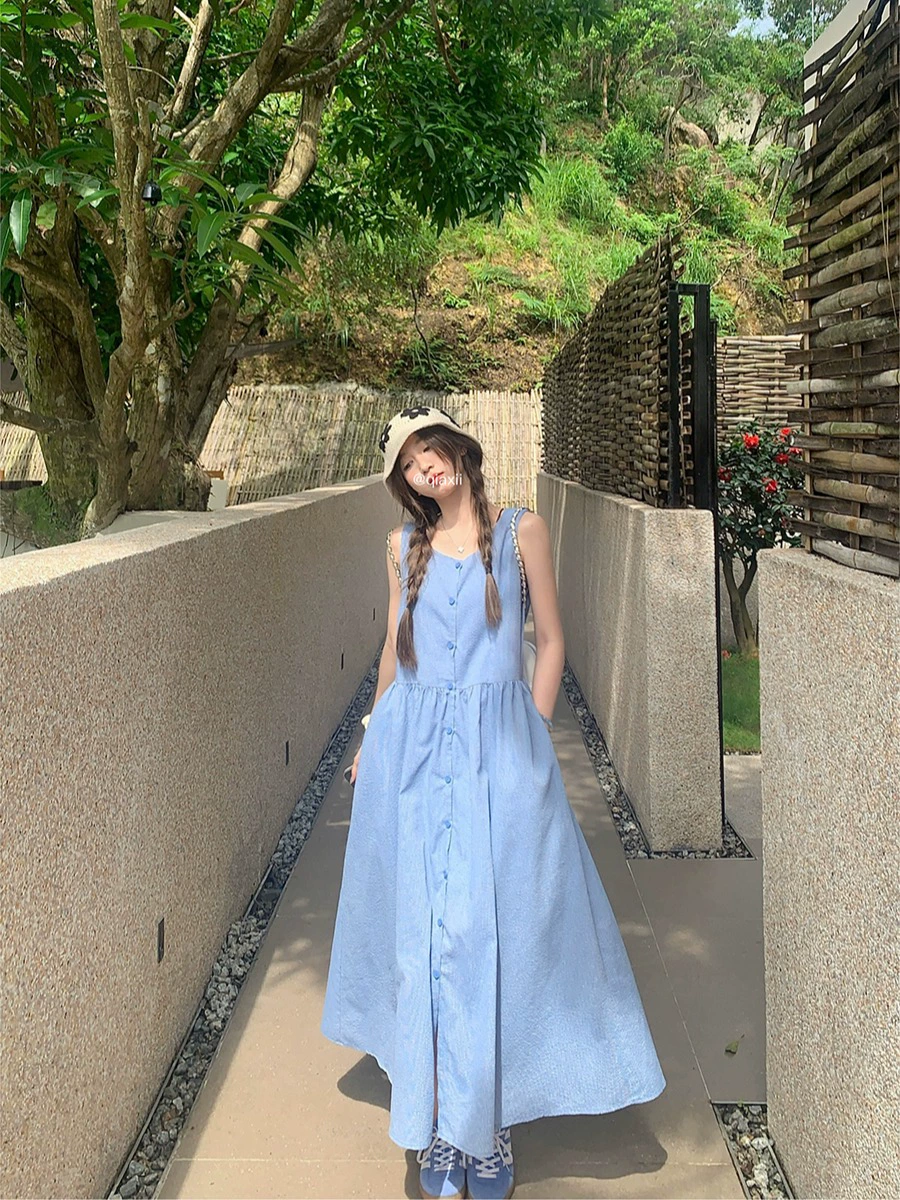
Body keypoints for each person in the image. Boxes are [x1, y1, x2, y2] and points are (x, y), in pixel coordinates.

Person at [321, 406, 666, 1200]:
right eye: (409, 464)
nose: (424, 467)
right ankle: (445, 1128)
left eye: (430, 450)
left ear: (460, 449)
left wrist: (533, 732)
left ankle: (489, 1127)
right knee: (429, 935)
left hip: (499, 753)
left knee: (492, 931)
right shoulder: (400, 546)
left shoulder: (519, 532)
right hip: (412, 755)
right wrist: (372, 734)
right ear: (405, 482)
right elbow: (393, 650)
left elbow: (552, 641)